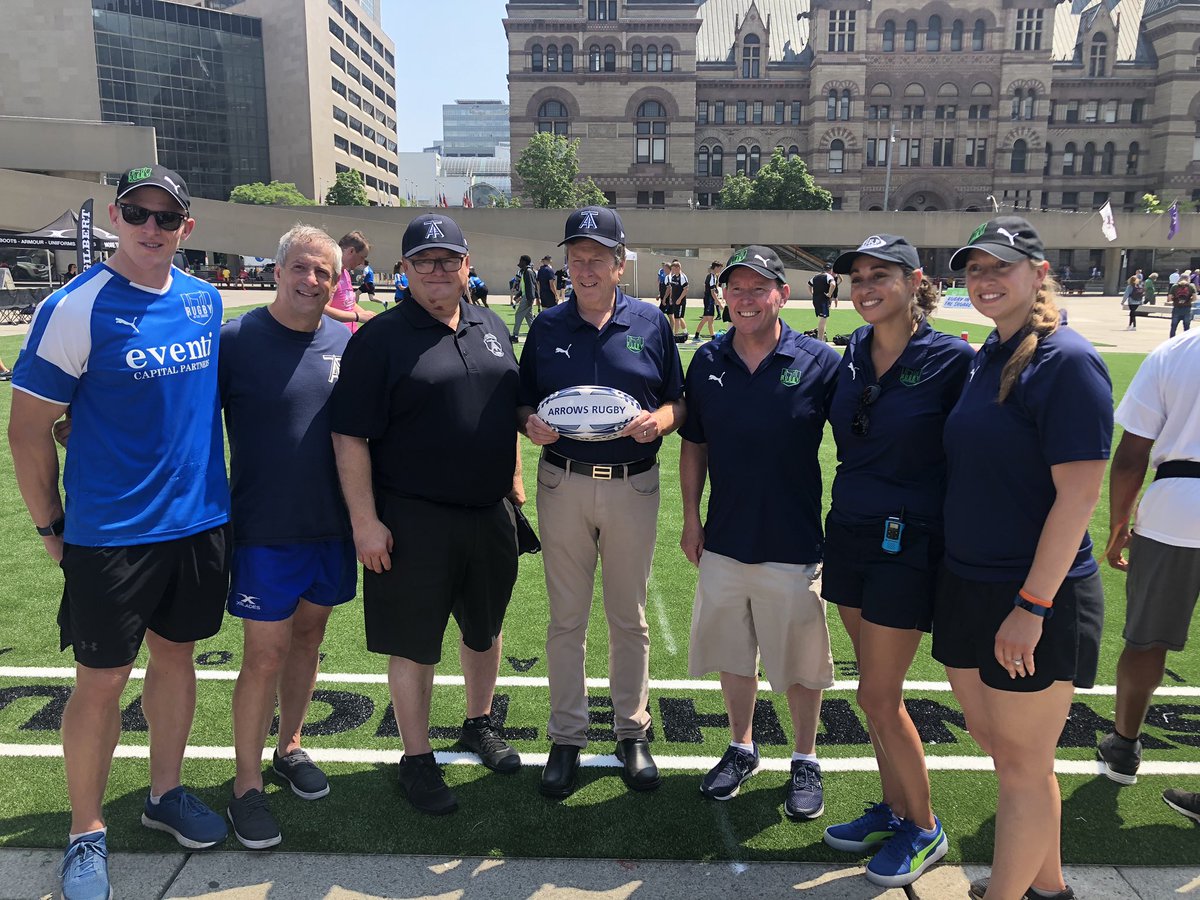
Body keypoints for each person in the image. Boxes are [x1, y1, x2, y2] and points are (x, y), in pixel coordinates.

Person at [8, 163, 230, 900]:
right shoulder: (74, 308)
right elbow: (29, 431)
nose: (151, 228)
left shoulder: (203, 300)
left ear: (186, 228)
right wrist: (51, 527)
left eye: (166, 217)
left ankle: (165, 794)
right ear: (114, 217)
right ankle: (85, 831)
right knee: (101, 681)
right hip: (111, 534)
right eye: (138, 213)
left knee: (177, 659)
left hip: (198, 522)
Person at [936, 217, 1112, 900]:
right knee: (1012, 756)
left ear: (1038, 273)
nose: (984, 280)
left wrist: (1032, 606)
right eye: (974, 268)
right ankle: (1049, 888)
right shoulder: (991, 351)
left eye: (999, 266)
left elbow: (1079, 496)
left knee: (1020, 765)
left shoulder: (1066, 360)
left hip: (1034, 595)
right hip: (969, 583)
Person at [331, 213, 524, 816]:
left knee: (484, 627)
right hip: (413, 516)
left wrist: (515, 479)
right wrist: (365, 522)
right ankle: (415, 758)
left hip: (489, 510)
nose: (437, 270)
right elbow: (349, 435)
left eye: (448, 259)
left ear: (467, 265)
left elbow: (506, 405)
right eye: (423, 261)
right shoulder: (379, 339)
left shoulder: (491, 324)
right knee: (415, 642)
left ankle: (478, 723)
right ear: (404, 270)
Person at [821, 235, 973, 887]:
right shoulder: (855, 348)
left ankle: (925, 827)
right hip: (848, 531)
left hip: (906, 541)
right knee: (873, 693)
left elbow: (977, 454)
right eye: (857, 277)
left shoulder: (953, 360)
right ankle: (892, 808)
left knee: (878, 696)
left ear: (915, 283)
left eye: (879, 275)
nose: (865, 287)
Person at [518, 206, 685, 799]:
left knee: (628, 616)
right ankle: (566, 735)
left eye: (596, 258)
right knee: (566, 617)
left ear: (619, 264)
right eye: (576, 258)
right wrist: (529, 423)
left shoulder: (651, 322)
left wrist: (659, 422)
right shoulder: (547, 326)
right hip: (562, 482)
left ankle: (631, 731)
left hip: (633, 484)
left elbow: (678, 400)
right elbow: (522, 400)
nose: (584, 269)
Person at [679, 246, 838, 824]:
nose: (745, 299)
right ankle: (742, 746)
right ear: (723, 295)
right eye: (735, 288)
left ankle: (805, 757)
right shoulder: (707, 359)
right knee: (732, 652)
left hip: (793, 540)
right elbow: (694, 445)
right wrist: (692, 518)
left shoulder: (820, 361)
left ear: (782, 295)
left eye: (758, 288)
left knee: (799, 661)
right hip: (725, 537)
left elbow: (857, 443)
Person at [221, 225, 356, 849]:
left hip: (331, 528)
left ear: (336, 281)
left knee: (309, 640)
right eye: (300, 268)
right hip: (264, 530)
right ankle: (245, 784)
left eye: (323, 272)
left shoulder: (344, 342)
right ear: (276, 272)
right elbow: (177, 412)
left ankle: (290, 746)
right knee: (264, 656)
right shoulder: (236, 339)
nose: (310, 280)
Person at [1098, 329, 1200, 792]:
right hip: (1174, 507)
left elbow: (1131, 456)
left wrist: (1119, 524)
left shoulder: (1175, 351)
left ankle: (1124, 747)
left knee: (1146, 641)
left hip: (1175, 508)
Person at [324, 231, 375, 333]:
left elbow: (349, 304)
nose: (362, 262)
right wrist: (357, 316)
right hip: (336, 338)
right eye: (362, 257)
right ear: (351, 251)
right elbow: (323, 310)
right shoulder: (330, 274)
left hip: (350, 336)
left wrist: (372, 318)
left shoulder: (345, 273)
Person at [692, 261, 721, 342]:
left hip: (709, 300)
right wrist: (719, 303)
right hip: (709, 300)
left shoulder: (714, 276)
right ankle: (713, 338)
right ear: (715, 267)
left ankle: (697, 336)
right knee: (710, 319)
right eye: (719, 268)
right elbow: (712, 292)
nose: (720, 270)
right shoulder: (711, 277)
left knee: (705, 319)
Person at [512, 254, 537, 343]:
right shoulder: (525, 271)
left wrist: (530, 299)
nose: (519, 263)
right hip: (527, 297)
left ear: (524, 262)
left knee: (518, 315)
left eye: (520, 261)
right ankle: (537, 334)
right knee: (529, 318)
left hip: (527, 298)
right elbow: (524, 287)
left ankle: (515, 336)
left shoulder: (528, 272)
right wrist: (518, 295)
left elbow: (530, 286)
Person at [809, 262, 836, 343]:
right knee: (823, 319)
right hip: (823, 300)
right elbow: (833, 284)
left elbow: (809, 285)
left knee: (822, 318)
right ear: (830, 270)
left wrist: (812, 293)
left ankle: (823, 337)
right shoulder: (828, 276)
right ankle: (820, 340)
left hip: (816, 299)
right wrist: (829, 294)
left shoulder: (816, 276)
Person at [669, 260, 689, 335]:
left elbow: (686, 289)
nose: (672, 271)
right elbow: (672, 288)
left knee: (677, 318)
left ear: (678, 268)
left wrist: (679, 299)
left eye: (673, 269)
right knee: (678, 317)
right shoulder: (673, 277)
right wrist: (671, 298)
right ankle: (685, 332)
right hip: (674, 300)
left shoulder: (683, 277)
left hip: (680, 301)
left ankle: (675, 334)